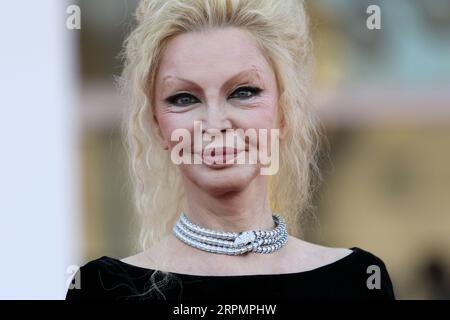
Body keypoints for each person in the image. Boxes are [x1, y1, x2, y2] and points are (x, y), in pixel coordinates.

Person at [66, 0, 395, 301]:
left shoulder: (357, 281)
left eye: (244, 91)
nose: (214, 123)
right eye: (184, 98)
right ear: (157, 125)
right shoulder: (104, 289)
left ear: (284, 111)